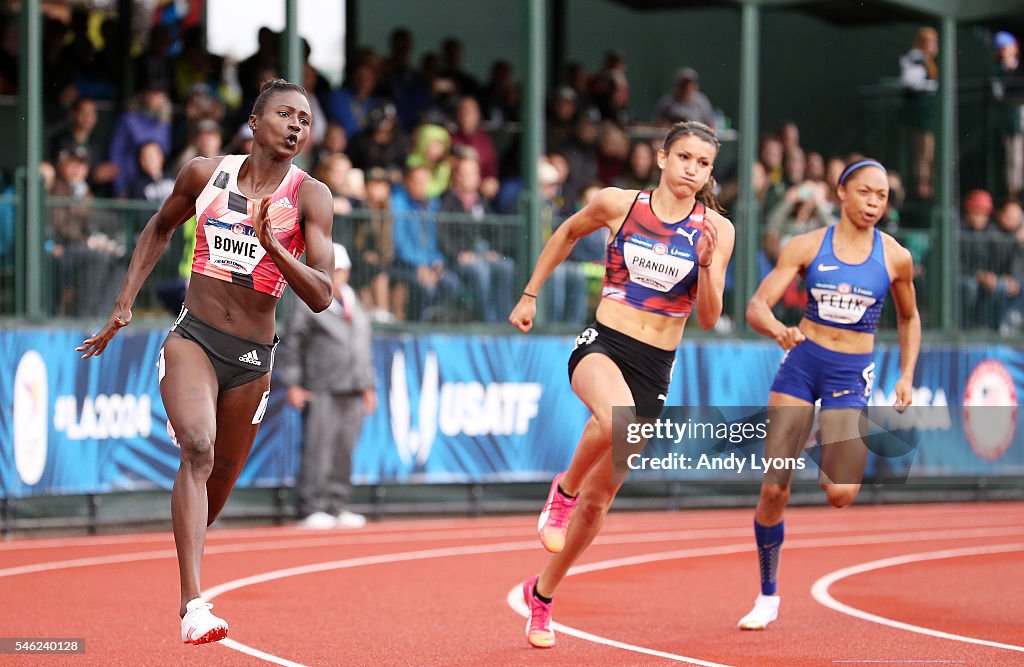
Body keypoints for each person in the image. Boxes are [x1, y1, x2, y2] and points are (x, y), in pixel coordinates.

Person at [76, 79, 335, 646]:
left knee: (218, 480)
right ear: (254, 121)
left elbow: (322, 294)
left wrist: (277, 249)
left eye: (306, 120)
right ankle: (194, 603)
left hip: (253, 358)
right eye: (286, 114)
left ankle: (186, 548)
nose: (296, 126)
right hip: (193, 338)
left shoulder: (310, 197)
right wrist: (123, 307)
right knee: (198, 447)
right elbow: (159, 227)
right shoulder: (204, 174)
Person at [509, 121, 735, 648]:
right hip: (604, 342)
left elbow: (707, 317)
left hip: (657, 365)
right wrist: (530, 294)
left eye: (703, 164)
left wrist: (705, 267)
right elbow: (566, 233)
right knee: (614, 418)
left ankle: (541, 596)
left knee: (601, 502)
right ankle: (562, 491)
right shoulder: (619, 204)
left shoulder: (716, 230)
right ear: (661, 158)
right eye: (684, 158)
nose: (692, 171)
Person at [737, 158, 920, 630]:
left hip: (850, 372)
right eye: (865, 193)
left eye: (881, 196)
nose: (874, 203)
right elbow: (757, 306)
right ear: (842, 193)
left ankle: (822, 433)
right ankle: (767, 595)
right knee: (774, 485)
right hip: (802, 365)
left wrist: (905, 375)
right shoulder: (806, 246)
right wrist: (779, 329)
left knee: (839, 493)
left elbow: (908, 318)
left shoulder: (895, 256)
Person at [280, 244, 376, 529]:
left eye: (341, 270)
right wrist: (294, 383)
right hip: (320, 385)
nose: (337, 276)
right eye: (332, 271)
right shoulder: (306, 301)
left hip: (353, 387)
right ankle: (310, 506)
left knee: (344, 448)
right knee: (318, 447)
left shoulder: (353, 301)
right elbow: (293, 342)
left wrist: (368, 385)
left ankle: (336, 503)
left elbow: (362, 346)